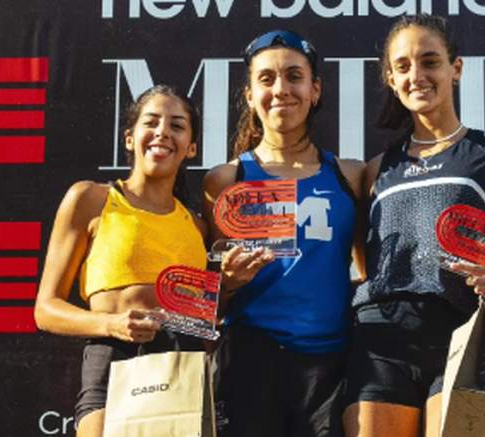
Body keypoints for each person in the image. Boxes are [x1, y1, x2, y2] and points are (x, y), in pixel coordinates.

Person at [341, 14, 485, 437]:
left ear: (456, 69)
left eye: (429, 61)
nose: (416, 75)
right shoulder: (376, 169)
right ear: (390, 78)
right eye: (402, 66)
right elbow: (364, 262)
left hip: (464, 337)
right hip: (380, 340)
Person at [201, 30, 366, 437]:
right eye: (267, 79)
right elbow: (206, 303)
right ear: (249, 95)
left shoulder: (351, 175)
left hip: (330, 363)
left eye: (294, 76)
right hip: (249, 360)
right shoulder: (225, 180)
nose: (281, 90)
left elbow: (367, 275)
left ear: (315, 89)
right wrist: (227, 282)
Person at [34, 85, 209, 437]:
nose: (162, 132)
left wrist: (233, 282)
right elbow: (45, 309)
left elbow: (206, 317)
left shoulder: (199, 227)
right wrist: (112, 325)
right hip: (112, 359)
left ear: (191, 147)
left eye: (177, 125)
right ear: (130, 138)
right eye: (151, 122)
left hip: (185, 367)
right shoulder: (90, 199)